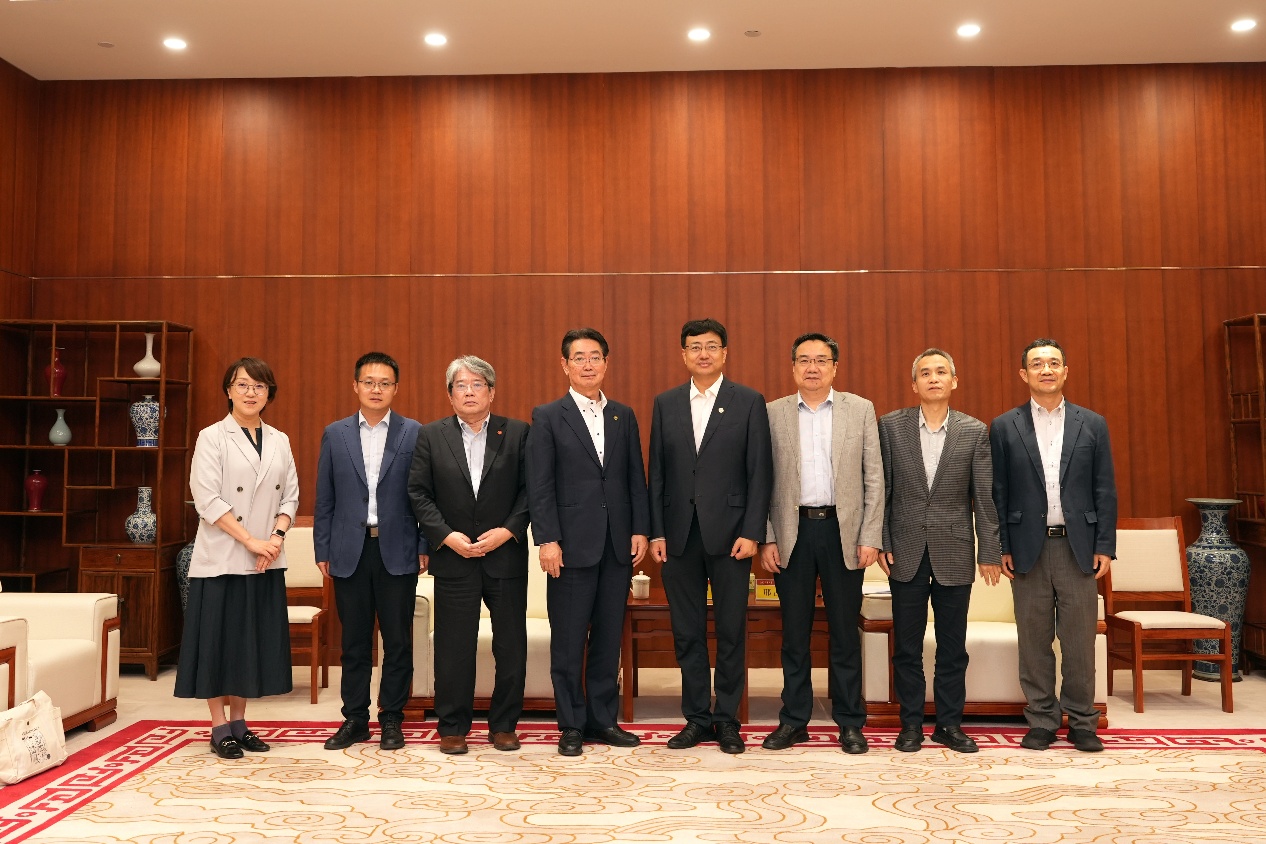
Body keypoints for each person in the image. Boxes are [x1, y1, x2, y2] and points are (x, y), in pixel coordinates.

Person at [649, 318, 773, 754]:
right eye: (695, 347)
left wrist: (753, 532)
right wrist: (656, 532)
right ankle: (697, 718)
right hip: (678, 536)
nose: (703, 354)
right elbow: (657, 474)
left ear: (725, 353)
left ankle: (727, 720)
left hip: (732, 537)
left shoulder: (749, 401)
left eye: (712, 346)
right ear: (683, 354)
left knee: (731, 631)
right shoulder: (665, 403)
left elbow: (760, 473)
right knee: (687, 632)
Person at [526, 328, 650, 757]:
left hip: (616, 546)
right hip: (569, 548)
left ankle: (602, 720)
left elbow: (634, 477)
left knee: (607, 640)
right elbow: (539, 484)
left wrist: (639, 529)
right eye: (578, 357)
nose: (588, 364)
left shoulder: (623, 415)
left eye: (595, 356)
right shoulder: (547, 416)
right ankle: (571, 725)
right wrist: (547, 539)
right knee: (568, 642)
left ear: (606, 363)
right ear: (565, 365)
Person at [758, 333, 883, 755]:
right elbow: (761, 480)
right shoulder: (772, 412)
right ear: (793, 367)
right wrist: (768, 536)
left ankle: (850, 721)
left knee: (845, 633)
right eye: (804, 360)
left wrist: (870, 536)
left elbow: (874, 477)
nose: (812, 367)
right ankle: (794, 719)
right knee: (794, 633)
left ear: (835, 367)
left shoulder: (860, 409)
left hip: (842, 532)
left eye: (821, 360)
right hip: (791, 533)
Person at [990, 338, 1117, 753]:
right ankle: (1042, 719)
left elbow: (1104, 489)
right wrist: (1002, 546)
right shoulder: (1004, 426)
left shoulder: (1092, 423)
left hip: (1078, 548)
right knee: (1034, 641)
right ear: (1023, 374)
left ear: (1065, 371)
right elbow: (998, 493)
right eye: (1037, 364)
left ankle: (1081, 721)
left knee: (1080, 642)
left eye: (1054, 363)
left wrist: (1104, 544)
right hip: (1027, 547)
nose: (1046, 369)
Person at [877, 348, 1001, 754]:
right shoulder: (890, 427)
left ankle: (949, 724)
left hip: (955, 550)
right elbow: (882, 491)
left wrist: (989, 551)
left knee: (952, 648)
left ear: (954, 381)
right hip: (904, 550)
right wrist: (883, 541)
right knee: (907, 648)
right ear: (914, 384)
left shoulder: (974, 430)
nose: (934, 378)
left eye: (941, 372)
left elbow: (984, 497)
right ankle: (911, 724)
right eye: (925, 373)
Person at [175, 357, 299, 760]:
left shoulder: (279, 439)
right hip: (223, 556)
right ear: (228, 391)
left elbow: (291, 496)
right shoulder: (212, 437)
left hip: (265, 557)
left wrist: (274, 539)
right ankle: (218, 727)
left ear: (269, 393)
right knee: (216, 641)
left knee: (249, 642)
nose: (251, 392)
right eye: (242, 385)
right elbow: (207, 499)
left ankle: (241, 724)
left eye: (259, 386)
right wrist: (251, 541)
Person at [407, 355, 530, 755]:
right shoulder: (431, 435)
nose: (470, 392)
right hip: (454, 557)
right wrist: (445, 536)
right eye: (461, 385)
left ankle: (504, 725)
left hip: (504, 556)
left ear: (491, 392)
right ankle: (453, 726)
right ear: (450, 395)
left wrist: (507, 531)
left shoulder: (517, 433)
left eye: (478, 384)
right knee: (453, 647)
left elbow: (532, 490)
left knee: (510, 646)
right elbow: (418, 493)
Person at [314, 352, 428, 752]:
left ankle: (392, 717)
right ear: (356, 386)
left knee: (398, 641)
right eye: (369, 382)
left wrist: (424, 544)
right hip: (349, 550)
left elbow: (424, 496)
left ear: (395, 388)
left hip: (398, 549)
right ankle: (355, 719)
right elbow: (325, 497)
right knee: (355, 642)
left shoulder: (414, 433)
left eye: (384, 383)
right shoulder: (335, 433)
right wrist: (323, 547)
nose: (376, 389)